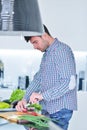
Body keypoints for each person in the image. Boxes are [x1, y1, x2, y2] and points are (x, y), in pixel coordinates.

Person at [16, 25, 77, 130]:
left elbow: (69, 83)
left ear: (44, 35)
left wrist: (42, 96)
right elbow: (38, 80)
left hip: (59, 111)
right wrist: (24, 99)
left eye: (35, 42)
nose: (34, 47)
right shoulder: (47, 54)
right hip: (49, 110)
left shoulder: (62, 51)